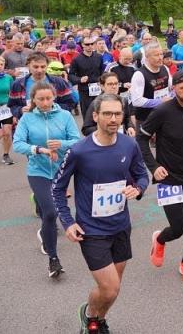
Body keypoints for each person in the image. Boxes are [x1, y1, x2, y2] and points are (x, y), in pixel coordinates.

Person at [52, 93, 149, 334]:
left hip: (121, 226)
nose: (113, 119)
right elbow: (57, 188)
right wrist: (68, 222)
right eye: (107, 113)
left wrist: (137, 188)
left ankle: (97, 321)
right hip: (92, 230)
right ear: (95, 116)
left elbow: (142, 175)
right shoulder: (79, 151)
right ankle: (89, 314)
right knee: (109, 288)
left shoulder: (129, 145)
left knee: (113, 290)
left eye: (117, 113)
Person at [139, 71, 183, 284]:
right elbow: (141, 139)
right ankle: (160, 239)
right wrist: (153, 167)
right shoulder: (162, 111)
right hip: (168, 177)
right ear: (174, 89)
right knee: (179, 227)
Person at [13, 81, 81, 278]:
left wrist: (61, 144)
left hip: (62, 171)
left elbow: (77, 141)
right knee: (51, 212)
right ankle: (53, 259)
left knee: (51, 210)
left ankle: (44, 232)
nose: (44, 102)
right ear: (33, 99)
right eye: (40, 99)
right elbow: (18, 144)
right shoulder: (27, 118)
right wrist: (38, 149)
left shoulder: (65, 115)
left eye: (48, 98)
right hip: (38, 171)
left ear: (54, 97)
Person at [7, 52, 77, 120]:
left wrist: (54, 108)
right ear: (28, 66)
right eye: (35, 67)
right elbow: (12, 105)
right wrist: (20, 110)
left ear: (47, 66)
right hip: (29, 122)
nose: (39, 70)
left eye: (43, 67)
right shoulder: (18, 84)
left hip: (53, 122)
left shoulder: (59, 82)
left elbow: (70, 104)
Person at [128, 42, 171, 128]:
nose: (160, 58)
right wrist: (159, 101)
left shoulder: (165, 68)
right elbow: (136, 101)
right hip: (146, 119)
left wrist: (171, 97)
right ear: (147, 57)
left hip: (164, 116)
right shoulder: (139, 74)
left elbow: (172, 88)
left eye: (161, 54)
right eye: (156, 55)